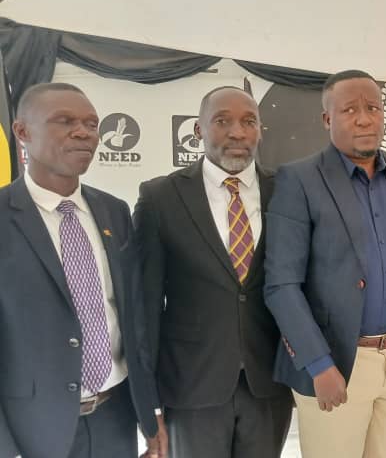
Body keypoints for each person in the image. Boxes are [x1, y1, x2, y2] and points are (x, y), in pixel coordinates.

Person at [263, 70, 386, 458]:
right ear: (327, 119)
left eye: (373, 108)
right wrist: (319, 364)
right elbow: (281, 285)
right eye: (350, 110)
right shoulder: (299, 179)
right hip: (337, 361)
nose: (364, 119)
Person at [0, 82, 165, 457]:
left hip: (115, 419)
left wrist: (150, 416)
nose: (84, 132)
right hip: (32, 428)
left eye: (92, 124)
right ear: (22, 131)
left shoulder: (114, 211)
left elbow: (132, 320)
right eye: (65, 121)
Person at [134, 86, 292, 458]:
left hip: (268, 383)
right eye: (222, 121)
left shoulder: (287, 192)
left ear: (260, 131)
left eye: (248, 122)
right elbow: (145, 306)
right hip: (191, 386)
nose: (237, 132)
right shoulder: (160, 198)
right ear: (198, 129)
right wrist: (147, 401)